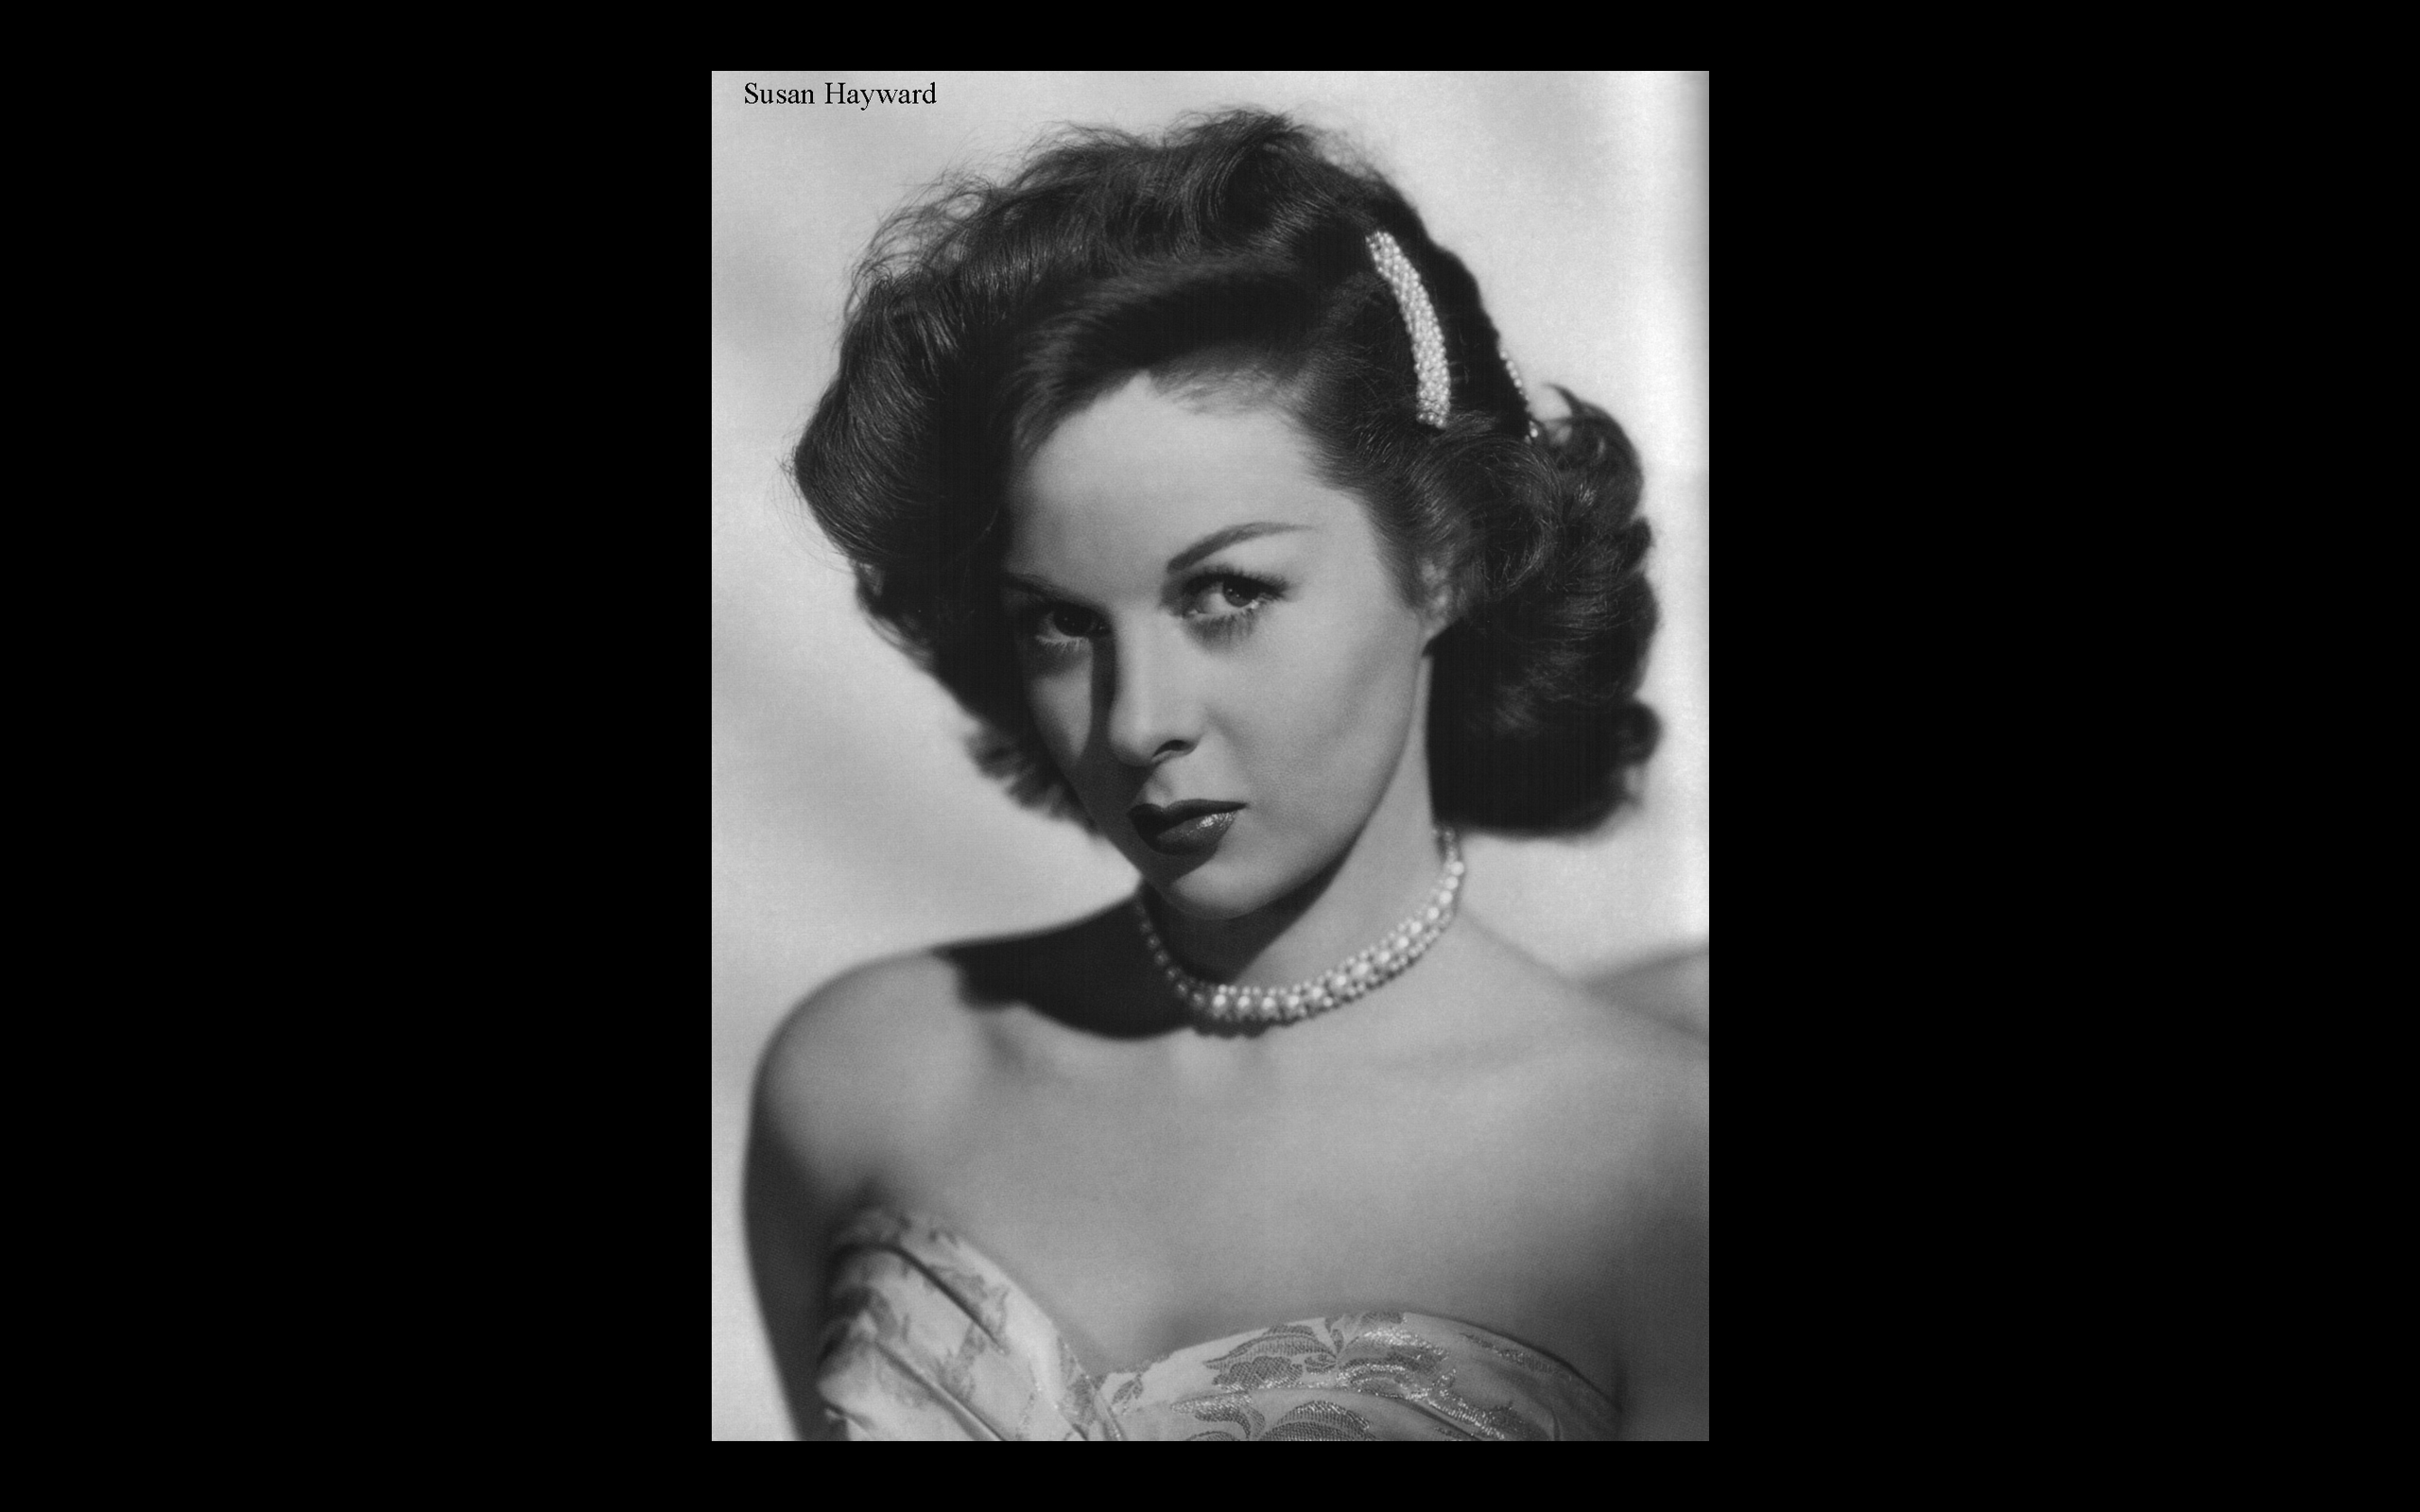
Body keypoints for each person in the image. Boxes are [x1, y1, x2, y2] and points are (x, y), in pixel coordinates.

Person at [748, 110, 1706, 1441]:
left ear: (1446, 555)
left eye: (1227, 594)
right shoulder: (863, 1084)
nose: (1138, 721)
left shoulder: (1662, 1175)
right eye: (1061, 624)